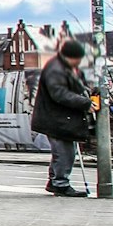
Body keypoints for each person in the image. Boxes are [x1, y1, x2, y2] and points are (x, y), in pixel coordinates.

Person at [32, 38, 94, 197]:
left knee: (65, 151)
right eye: (78, 58)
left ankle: (55, 181)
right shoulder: (55, 69)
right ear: (70, 56)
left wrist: (89, 93)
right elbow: (60, 94)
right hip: (55, 118)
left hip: (61, 118)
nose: (79, 61)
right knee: (64, 152)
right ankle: (60, 184)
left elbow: (78, 87)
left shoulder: (67, 67)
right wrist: (84, 103)